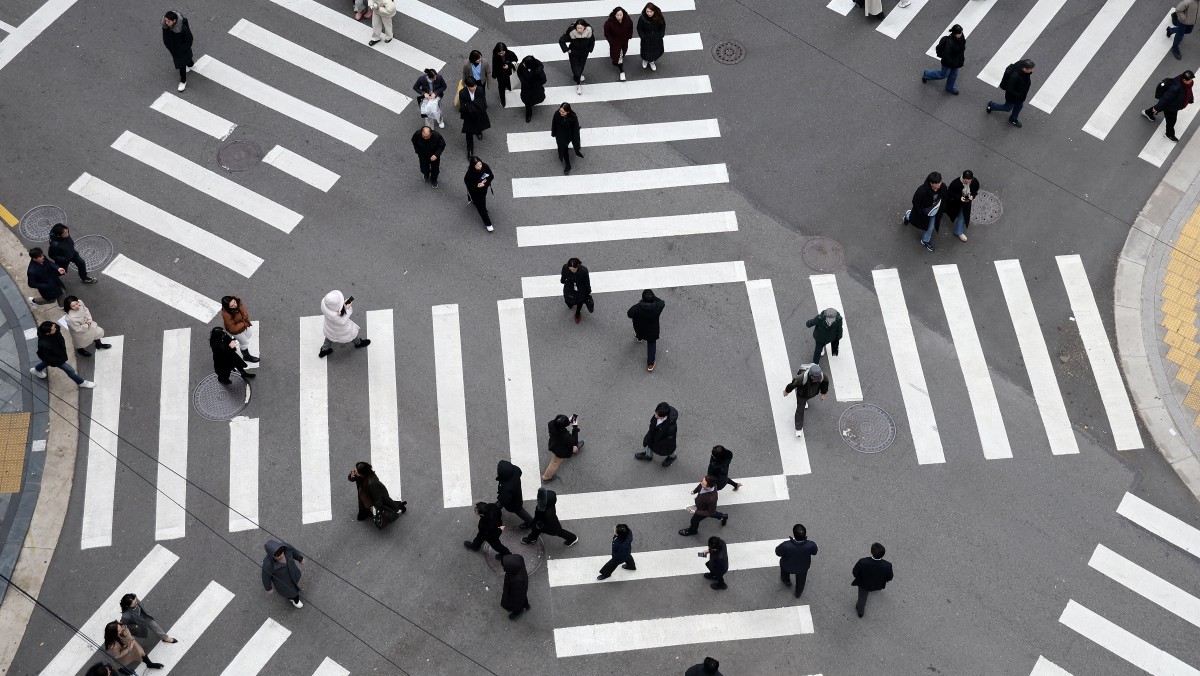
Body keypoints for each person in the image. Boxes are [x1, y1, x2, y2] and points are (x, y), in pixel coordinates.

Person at [30, 322, 94, 388]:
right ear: (47, 333)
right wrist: (58, 361)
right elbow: (47, 357)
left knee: (46, 362)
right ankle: (81, 382)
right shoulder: (43, 344)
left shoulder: (55, 331)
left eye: (54, 327)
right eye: (53, 329)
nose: (55, 329)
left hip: (59, 354)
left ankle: (36, 370)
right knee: (70, 370)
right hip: (57, 359)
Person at [348, 461, 406, 526]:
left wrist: (379, 509)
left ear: (362, 474)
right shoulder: (362, 475)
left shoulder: (372, 483)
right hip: (365, 495)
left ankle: (399, 506)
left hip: (375, 496)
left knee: (388, 505)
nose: (354, 472)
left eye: (356, 471)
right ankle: (365, 514)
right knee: (365, 507)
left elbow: (377, 498)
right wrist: (351, 477)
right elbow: (353, 478)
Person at [1144, 70, 1196, 142]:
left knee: (1160, 108)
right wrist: (1157, 107)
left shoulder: (1186, 83)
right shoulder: (1176, 88)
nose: (1191, 81)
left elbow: (1188, 90)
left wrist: (1189, 98)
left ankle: (1148, 113)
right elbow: (1165, 98)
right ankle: (1169, 134)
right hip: (1171, 107)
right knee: (1171, 122)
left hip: (1173, 104)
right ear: (1184, 80)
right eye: (1190, 79)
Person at [903, 171, 947, 252]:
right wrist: (920, 212)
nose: (940, 184)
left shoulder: (943, 186)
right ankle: (908, 215)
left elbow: (944, 197)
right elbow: (915, 202)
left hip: (935, 210)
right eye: (937, 183)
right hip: (924, 213)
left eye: (940, 181)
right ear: (931, 183)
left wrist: (942, 207)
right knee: (915, 220)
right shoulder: (921, 191)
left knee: (930, 226)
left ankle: (925, 240)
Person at [318, 290, 370, 358]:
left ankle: (324, 350)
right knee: (352, 335)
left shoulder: (325, 306)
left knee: (329, 337)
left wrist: (343, 307)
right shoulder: (335, 316)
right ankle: (358, 343)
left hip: (330, 327)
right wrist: (347, 309)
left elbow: (336, 311)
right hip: (341, 330)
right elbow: (343, 321)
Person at [783, 363, 828, 438]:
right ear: (810, 375)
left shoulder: (822, 376)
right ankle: (798, 428)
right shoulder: (801, 378)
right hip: (802, 395)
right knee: (800, 409)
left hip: (812, 393)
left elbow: (825, 383)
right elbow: (793, 384)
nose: (817, 380)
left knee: (806, 400)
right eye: (815, 379)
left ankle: (805, 402)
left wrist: (823, 393)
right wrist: (787, 391)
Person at [987, 59, 1034, 129]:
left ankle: (1013, 119)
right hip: (1013, 97)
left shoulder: (1022, 66)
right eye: (1031, 69)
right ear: (1025, 69)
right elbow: (1009, 89)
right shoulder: (1014, 76)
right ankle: (992, 105)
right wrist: (1019, 95)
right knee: (1007, 108)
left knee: (1019, 106)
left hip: (1020, 95)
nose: (1032, 70)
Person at [776, 523, 818, 598]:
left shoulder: (786, 545)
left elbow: (778, 552)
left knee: (784, 571)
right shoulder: (811, 545)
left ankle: (786, 581)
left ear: (794, 535)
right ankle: (798, 593)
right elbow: (814, 552)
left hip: (787, 566)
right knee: (801, 581)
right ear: (805, 535)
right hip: (802, 568)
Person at [852, 542, 894, 618]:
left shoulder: (863, 562)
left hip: (864, 585)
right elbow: (890, 577)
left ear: (871, 552)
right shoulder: (887, 565)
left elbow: (855, 572)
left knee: (862, 598)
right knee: (872, 589)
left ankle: (860, 612)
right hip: (877, 584)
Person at [627, 289, 665, 371]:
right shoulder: (658, 307)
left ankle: (639, 338)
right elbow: (662, 302)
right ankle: (650, 364)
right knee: (651, 344)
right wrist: (653, 297)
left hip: (640, 328)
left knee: (639, 333)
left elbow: (629, 314)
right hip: (652, 331)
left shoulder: (637, 308)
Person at [261, 540, 306, 608]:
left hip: (293, 572)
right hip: (283, 583)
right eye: (278, 554)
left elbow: (294, 551)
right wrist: (268, 588)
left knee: (295, 583)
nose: (281, 554)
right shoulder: (268, 565)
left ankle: (293, 595)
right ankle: (295, 600)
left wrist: (300, 558)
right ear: (272, 556)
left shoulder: (287, 548)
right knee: (292, 593)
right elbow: (265, 577)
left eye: (281, 551)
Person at [923, 25, 965, 95]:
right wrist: (953, 63)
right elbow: (946, 56)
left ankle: (950, 87)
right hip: (948, 63)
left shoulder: (961, 38)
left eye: (961, 32)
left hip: (956, 61)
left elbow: (962, 49)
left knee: (954, 75)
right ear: (955, 34)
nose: (961, 34)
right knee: (943, 74)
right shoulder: (949, 43)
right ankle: (927, 74)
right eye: (959, 33)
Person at [542, 413, 584, 483]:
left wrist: (568, 421)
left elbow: (558, 425)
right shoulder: (566, 436)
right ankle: (546, 477)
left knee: (571, 446)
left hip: (554, 444)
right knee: (554, 463)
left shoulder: (551, 424)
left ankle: (575, 449)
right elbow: (574, 441)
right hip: (560, 450)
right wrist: (575, 427)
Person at [559, 19, 596, 95]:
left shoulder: (589, 33)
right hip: (573, 53)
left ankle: (579, 76)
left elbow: (592, 41)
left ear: (584, 27)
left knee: (581, 66)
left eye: (581, 28)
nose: (579, 30)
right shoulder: (572, 33)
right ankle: (578, 83)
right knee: (575, 69)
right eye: (577, 28)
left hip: (584, 53)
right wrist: (567, 49)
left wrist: (589, 49)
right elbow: (561, 40)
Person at [942, 170, 980, 242]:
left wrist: (972, 196)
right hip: (954, 203)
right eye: (965, 182)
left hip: (966, 203)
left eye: (969, 181)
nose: (967, 183)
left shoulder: (975, 182)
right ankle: (940, 211)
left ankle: (958, 232)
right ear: (963, 178)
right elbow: (950, 193)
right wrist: (959, 197)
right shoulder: (955, 183)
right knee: (948, 209)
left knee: (962, 216)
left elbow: (975, 191)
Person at [458, 77, 491, 158]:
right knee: (468, 132)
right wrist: (474, 105)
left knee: (478, 124)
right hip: (468, 115)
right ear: (467, 86)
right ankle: (470, 150)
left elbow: (483, 103)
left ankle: (478, 132)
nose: (474, 87)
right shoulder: (462, 93)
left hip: (478, 113)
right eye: (472, 86)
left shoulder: (480, 90)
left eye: (475, 85)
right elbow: (462, 107)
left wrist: (470, 106)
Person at [496, 460, 534, 529]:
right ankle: (495, 508)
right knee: (500, 503)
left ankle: (531, 522)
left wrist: (500, 497)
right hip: (517, 495)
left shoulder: (507, 487)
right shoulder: (515, 470)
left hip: (512, 503)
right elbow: (520, 472)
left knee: (519, 511)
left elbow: (505, 499)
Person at [220, 295, 258, 363]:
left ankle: (235, 340)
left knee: (249, 335)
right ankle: (246, 356)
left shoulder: (238, 301)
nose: (235, 305)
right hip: (236, 331)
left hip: (243, 324)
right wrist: (244, 323)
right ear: (228, 307)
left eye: (234, 302)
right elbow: (232, 328)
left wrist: (244, 319)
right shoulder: (227, 315)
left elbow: (243, 309)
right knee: (245, 343)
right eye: (232, 305)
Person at [162, 11, 194, 92]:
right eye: (166, 20)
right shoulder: (166, 26)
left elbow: (189, 39)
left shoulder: (183, 28)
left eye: (168, 21)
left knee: (181, 65)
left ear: (174, 20)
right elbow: (165, 37)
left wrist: (183, 48)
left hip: (182, 50)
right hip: (174, 49)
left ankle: (183, 81)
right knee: (188, 60)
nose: (166, 22)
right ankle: (190, 64)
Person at [464, 156, 496, 232]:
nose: (480, 166)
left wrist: (484, 184)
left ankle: (473, 201)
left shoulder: (485, 167)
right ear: (473, 166)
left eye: (480, 164)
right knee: (481, 208)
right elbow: (468, 184)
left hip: (484, 189)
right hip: (475, 192)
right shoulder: (470, 174)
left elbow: (491, 176)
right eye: (477, 165)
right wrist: (477, 186)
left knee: (482, 200)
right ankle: (488, 224)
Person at [551, 102, 584, 174]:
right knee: (563, 149)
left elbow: (575, 129)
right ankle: (568, 165)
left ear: (568, 112)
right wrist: (553, 133)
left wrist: (576, 141)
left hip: (569, 134)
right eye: (560, 110)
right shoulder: (557, 114)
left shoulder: (573, 117)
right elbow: (554, 124)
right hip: (560, 135)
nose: (561, 113)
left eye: (563, 112)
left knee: (569, 145)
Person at [604, 7, 634, 81]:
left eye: (621, 15)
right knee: (618, 55)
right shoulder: (609, 23)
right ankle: (621, 71)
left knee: (624, 51)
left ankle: (616, 61)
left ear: (623, 14)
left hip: (624, 40)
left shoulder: (627, 20)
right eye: (617, 15)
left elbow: (630, 27)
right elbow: (607, 33)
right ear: (614, 15)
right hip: (615, 42)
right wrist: (611, 42)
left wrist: (629, 35)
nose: (619, 17)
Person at [561, 257, 593, 322]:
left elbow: (587, 281)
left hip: (580, 289)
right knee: (567, 299)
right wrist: (562, 280)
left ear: (578, 265)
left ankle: (577, 313)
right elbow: (563, 275)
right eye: (571, 269)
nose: (572, 270)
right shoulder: (565, 267)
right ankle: (570, 304)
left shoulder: (583, 271)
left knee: (580, 301)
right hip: (569, 287)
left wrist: (588, 290)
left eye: (574, 269)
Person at [517, 55, 547, 123]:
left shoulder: (538, 70)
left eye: (525, 64)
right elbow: (519, 73)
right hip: (526, 88)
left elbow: (543, 80)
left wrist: (535, 84)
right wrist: (523, 82)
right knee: (527, 102)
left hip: (535, 89)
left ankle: (532, 106)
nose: (523, 65)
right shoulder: (523, 65)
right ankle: (528, 115)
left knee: (535, 98)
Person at [500, 554, 531, 620]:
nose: (503, 568)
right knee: (523, 597)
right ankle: (526, 605)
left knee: (516, 604)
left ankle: (518, 611)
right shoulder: (518, 567)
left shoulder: (517, 581)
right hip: (521, 589)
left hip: (515, 592)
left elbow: (516, 598)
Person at [637, 3, 666, 71]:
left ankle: (651, 61)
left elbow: (663, 25)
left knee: (654, 51)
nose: (649, 13)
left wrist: (661, 34)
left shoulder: (659, 17)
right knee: (645, 50)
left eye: (651, 11)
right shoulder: (642, 18)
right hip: (646, 38)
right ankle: (645, 60)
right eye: (647, 11)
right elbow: (639, 28)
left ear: (654, 11)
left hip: (656, 37)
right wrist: (642, 36)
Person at [492, 43, 518, 107]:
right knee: (501, 87)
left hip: (508, 73)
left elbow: (516, 60)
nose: (501, 54)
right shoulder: (495, 55)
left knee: (509, 82)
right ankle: (503, 100)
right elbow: (494, 65)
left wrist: (509, 66)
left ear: (505, 50)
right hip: (500, 74)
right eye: (499, 53)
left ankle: (509, 87)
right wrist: (494, 75)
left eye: (502, 53)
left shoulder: (511, 54)